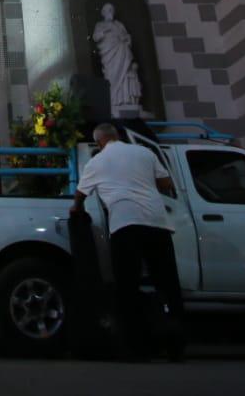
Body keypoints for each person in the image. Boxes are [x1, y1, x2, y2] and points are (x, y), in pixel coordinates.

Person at [72, 123, 184, 361]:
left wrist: (76, 210)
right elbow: (166, 185)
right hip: (157, 223)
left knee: (127, 288)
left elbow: (80, 195)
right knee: (167, 284)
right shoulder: (144, 152)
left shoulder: (97, 162)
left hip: (125, 225)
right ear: (116, 136)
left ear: (99, 142)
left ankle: (137, 348)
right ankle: (176, 346)